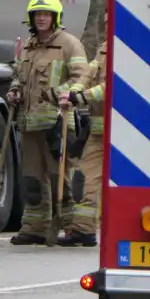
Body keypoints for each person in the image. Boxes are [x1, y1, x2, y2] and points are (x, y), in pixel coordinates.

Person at [7, 0, 90, 246]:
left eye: (46, 14)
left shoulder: (69, 44)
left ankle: (72, 227)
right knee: (31, 177)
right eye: (37, 14)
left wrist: (65, 94)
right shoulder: (28, 46)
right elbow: (18, 76)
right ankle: (34, 227)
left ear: (55, 17)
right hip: (29, 122)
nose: (42, 18)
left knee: (60, 177)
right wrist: (13, 90)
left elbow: (81, 77)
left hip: (58, 122)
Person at [60, 12, 107, 247]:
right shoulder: (105, 50)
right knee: (84, 176)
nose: (110, 27)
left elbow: (112, 85)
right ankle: (83, 229)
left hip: (124, 137)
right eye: (108, 23)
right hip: (99, 134)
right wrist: (73, 92)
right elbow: (88, 75)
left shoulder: (130, 51)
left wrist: (82, 96)